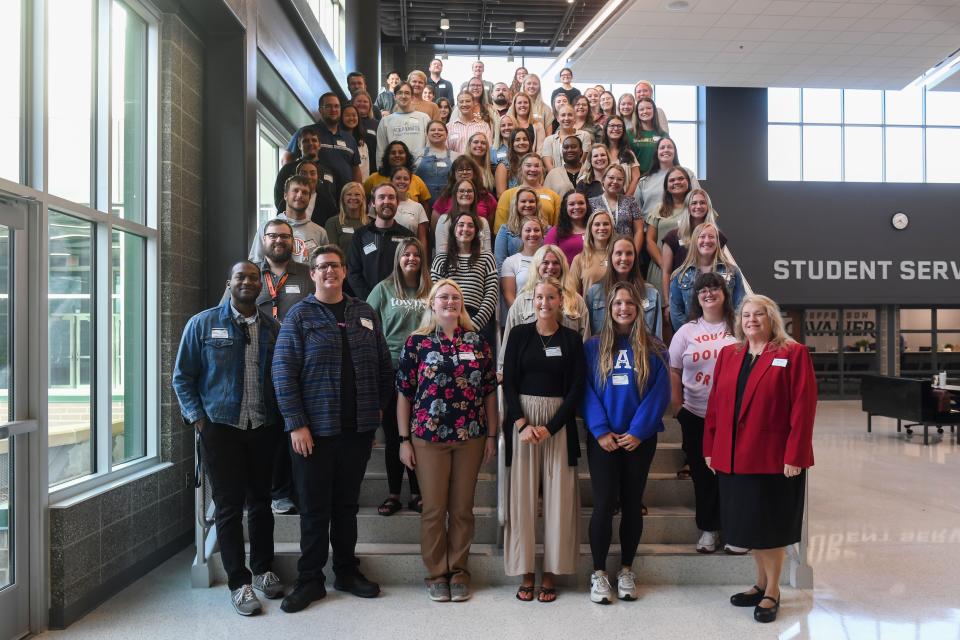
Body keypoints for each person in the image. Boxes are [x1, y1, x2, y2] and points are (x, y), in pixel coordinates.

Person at [272, 244, 393, 613]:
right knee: (313, 509)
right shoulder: (300, 316)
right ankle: (310, 580)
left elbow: (384, 367)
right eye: (321, 266)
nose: (329, 272)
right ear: (312, 274)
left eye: (335, 266)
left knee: (345, 506)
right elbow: (283, 373)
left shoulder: (364, 312)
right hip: (313, 433)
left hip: (356, 432)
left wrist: (376, 412)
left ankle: (345, 571)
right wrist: (296, 424)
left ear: (343, 271)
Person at [173, 261, 284, 615]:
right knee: (228, 508)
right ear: (229, 283)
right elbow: (182, 378)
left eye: (254, 277)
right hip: (221, 429)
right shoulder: (203, 324)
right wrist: (200, 421)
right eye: (241, 277)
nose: (248, 282)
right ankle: (240, 582)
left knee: (262, 504)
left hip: (263, 427)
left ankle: (265, 569)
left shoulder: (272, 327)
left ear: (260, 286)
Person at [704, 294, 816, 623]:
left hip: (773, 458)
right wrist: (711, 447)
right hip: (734, 455)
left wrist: (794, 454)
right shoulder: (730, 354)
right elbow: (715, 404)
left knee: (769, 527)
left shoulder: (792, 353)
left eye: (759, 315)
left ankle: (773, 591)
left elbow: (803, 408)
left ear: (772, 319)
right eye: (746, 315)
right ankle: (760, 583)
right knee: (750, 525)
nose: (751, 320)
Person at [396, 279, 497, 602]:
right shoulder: (417, 343)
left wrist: (493, 434)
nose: (450, 301)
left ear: (462, 303)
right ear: (432, 303)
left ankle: (459, 571)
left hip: (471, 436)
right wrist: (403, 439)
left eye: (455, 297)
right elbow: (404, 394)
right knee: (434, 509)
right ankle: (437, 573)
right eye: (443, 297)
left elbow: (489, 393)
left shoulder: (478, 342)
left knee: (463, 509)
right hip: (428, 437)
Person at [582, 281, 670, 604]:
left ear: (639, 308)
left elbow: (661, 394)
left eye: (629, 304)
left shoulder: (656, 347)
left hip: (638, 440)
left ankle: (626, 569)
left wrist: (638, 431)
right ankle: (599, 573)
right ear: (609, 308)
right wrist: (601, 430)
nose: (623, 308)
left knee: (633, 504)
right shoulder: (592, 347)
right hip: (603, 440)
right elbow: (587, 391)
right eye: (617, 303)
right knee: (604, 505)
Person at [502, 278, 585, 603]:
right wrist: (521, 423)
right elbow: (508, 382)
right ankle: (525, 571)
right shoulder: (520, 334)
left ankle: (550, 572)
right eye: (539, 297)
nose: (545, 302)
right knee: (521, 498)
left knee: (558, 500)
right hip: (522, 421)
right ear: (531, 301)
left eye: (551, 297)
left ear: (560, 301)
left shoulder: (572, 339)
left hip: (558, 425)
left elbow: (576, 388)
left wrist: (550, 427)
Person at [245, 220, 314, 516]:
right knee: (268, 432)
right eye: (272, 236)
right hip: (259, 364)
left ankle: (296, 491)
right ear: (263, 239)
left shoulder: (306, 276)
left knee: (297, 429)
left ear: (292, 241)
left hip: (300, 365)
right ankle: (274, 491)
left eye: (284, 236)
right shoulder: (249, 275)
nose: (278, 241)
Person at [669, 271, 737, 554]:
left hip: (734, 417)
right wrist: (677, 406)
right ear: (697, 298)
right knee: (702, 474)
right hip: (696, 415)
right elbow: (673, 369)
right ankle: (709, 529)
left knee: (732, 475)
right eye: (702, 290)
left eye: (714, 288)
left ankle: (735, 530)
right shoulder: (687, 331)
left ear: (724, 293)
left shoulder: (737, 329)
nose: (708, 293)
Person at [367, 239, 431, 517]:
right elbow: (366, 323)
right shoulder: (383, 289)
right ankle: (394, 493)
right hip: (392, 368)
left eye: (417, 254)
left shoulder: (431, 288)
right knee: (395, 435)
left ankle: (418, 493)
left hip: (427, 371)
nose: (412, 258)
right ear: (398, 258)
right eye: (406, 254)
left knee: (418, 435)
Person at [499, 245, 590, 376]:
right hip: (529, 375)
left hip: (567, 376)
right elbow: (508, 342)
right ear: (537, 266)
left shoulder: (577, 301)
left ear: (562, 266)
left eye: (556, 263)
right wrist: (503, 371)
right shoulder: (521, 302)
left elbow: (585, 342)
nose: (551, 267)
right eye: (545, 262)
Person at [430, 211, 499, 348]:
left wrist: (473, 325)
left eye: (470, 226)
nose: (465, 229)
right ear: (454, 230)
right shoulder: (440, 259)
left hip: (478, 320)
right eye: (461, 225)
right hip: (446, 318)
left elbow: (491, 294)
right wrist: (446, 325)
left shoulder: (487, 258)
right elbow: (433, 296)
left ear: (476, 231)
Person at [669, 222, 745, 331]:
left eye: (711, 237)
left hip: (727, 336)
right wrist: (692, 335)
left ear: (717, 241)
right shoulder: (680, 275)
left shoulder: (732, 271)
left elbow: (740, 307)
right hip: (694, 339)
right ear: (695, 241)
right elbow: (676, 313)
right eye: (702, 236)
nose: (707, 240)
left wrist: (730, 332)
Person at [346, 183, 415, 300]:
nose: (387, 201)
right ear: (373, 203)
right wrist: (370, 299)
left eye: (391, 197)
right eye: (381, 197)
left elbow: (413, 271)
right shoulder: (360, 235)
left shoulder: (408, 236)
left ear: (397, 203)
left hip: (399, 301)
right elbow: (353, 273)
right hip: (366, 302)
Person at [586, 236, 663, 339]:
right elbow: (588, 335)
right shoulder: (594, 293)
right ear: (611, 256)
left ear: (635, 257)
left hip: (641, 353)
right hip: (604, 352)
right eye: (618, 253)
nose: (624, 258)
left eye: (629, 253)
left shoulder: (651, 293)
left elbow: (657, 338)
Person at [284, 93, 361, 195]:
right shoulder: (306, 132)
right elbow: (287, 159)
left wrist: (359, 190)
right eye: (328, 106)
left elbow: (355, 169)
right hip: (315, 197)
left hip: (344, 198)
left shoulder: (349, 138)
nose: (333, 109)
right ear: (320, 110)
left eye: (336, 106)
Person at [660, 188, 725, 299]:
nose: (698, 206)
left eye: (702, 203)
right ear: (687, 207)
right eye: (694, 203)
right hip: (681, 298)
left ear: (708, 207)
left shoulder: (717, 236)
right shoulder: (672, 236)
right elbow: (666, 272)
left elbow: (719, 268)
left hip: (710, 297)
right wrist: (667, 303)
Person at [252, 176, 329, 264]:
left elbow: (324, 266)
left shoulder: (320, 232)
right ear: (285, 195)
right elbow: (256, 263)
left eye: (305, 192)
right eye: (295, 191)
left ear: (309, 198)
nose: (300, 195)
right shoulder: (267, 227)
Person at [647, 166, 696, 298]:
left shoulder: (697, 206)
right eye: (672, 180)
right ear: (666, 186)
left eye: (681, 178)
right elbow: (650, 240)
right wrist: (663, 264)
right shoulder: (659, 209)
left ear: (688, 182)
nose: (676, 182)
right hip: (660, 268)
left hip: (690, 268)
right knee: (664, 311)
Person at [273, 129, 339, 225]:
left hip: (322, 224)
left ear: (319, 145)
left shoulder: (329, 171)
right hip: (291, 224)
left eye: (314, 140)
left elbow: (334, 197)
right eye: (305, 141)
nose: (310, 143)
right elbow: (278, 197)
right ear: (299, 145)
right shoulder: (287, 169)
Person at [494, 154, 561, 234]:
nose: (533, 169)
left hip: (545, 243)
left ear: (542, 169)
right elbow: (499, 229)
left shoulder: (553, 196)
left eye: (537, 166)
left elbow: (557, 229)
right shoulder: (507, 195)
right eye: (528, 166)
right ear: (521, 169)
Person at [635, 137, 700, 218]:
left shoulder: (688, 174)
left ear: (675, 152)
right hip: (649, 228)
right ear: (657, 152)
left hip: (682, 227)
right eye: (662, 148)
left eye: (669, 147)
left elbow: (699, 199)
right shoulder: (644, 181)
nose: (666, 150)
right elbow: (636, 212)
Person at [588, 165, 644, 256]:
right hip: (600, 255)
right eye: (611, 178)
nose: (615, 182)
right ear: (603, 180)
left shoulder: (630, 202)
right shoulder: (591, 203)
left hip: (626, 255)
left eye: (619, 179)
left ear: (623, 183)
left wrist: (634, 255)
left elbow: (639, 231)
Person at [431, 157, 498, 232]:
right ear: (454, 174)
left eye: (468, 169)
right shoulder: (445, 197)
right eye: (460, 170)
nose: (464, 172)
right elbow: (435, 228)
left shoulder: (486, 197)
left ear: (474, 173)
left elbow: (491, 228)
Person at [500, 216, 546, 324]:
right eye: (528, 230)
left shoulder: (549, 260)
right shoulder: (511, 261)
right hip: (522, 318)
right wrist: (521, 317)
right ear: (520, 235)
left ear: (542, 234)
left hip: (547, 316)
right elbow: (509, 296)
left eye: (536, 230)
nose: (532, 234)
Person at [432, 177, 494, 255]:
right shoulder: (444, 220)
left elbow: (487, 254)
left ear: (474, 195)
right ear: (455, 194)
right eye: (461, 191)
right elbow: (441, 254)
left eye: (469, 191)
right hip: (451, 266)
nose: (465, 194)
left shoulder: (483, 222)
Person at [376, 83, 431, 164]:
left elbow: (429, 147)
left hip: (421, 170)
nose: (403, 96)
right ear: (394, 97)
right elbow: (381, 151)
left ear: (412, 97)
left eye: (407, 93)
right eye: (400, 93)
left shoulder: (424, 118)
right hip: (394, 171)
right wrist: (382, 173)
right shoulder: (385, 121)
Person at [363, 141, 431, 203]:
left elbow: (425, 205)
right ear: (387, 157)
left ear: (407, 157)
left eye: (401, 153)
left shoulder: (417, 180)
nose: (397, 155)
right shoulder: (373, 179)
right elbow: (364, 200)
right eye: (393, 153)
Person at [495, 186, 545, 270]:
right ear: (516, 204)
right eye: (523, 201)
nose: (528, 205)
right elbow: (500, 263)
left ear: (537, 204)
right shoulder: (505, 230)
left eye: (531, 201)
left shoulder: (547, 229)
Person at [568, 209, 613, 295]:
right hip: (589, 308)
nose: (602, 228)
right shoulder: (579, 259)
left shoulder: (619, 257)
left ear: (611, 227)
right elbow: (571, 295)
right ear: (590, 228)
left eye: (606, 224)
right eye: (597, 224)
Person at [415, 121, 458, 208]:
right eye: (433, 130)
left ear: (446, 134)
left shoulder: (456, 156)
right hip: (422, 204)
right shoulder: (417, 155)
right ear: (427, 134)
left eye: (440, 130)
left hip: (448, 204)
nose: (436, 132)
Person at [541, 105, 593, 173]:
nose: (566, 118)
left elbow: (583, 161)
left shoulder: (584, 135)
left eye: (570, 115)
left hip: (580, 177)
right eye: (563, 115)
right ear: (557, 118)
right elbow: (549, 166)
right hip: (556, 178)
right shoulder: (549, 140)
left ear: (575, 118)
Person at [544, 190, 590, 265]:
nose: (577, 207)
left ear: (587, 205)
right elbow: (547, 259)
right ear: (565, 207)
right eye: (571, 204)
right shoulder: (555, 232)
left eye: (581, 203)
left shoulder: (595, 228)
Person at [325, 182, 369, 257]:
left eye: (357, 194)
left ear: (363, 198)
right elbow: (333, 252)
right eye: (349, 194)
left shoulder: (370, 223)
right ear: (343, 198)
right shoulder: (332, 223)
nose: (353, 198)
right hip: (343, 267)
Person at [390, 166, 430, 248]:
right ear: (391, 181)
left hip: (410, 255)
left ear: (410, 182)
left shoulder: (418, 207)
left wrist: (423, 260)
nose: (402, 181)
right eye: (398, 178)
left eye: (406, 179)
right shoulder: (383, 204)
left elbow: (422, 239)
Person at [627, 97, 667, 176]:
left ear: (654, 111)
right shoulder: (629, 134)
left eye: (649, 108)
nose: (645, 111)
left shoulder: (663, 135)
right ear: (637, 113)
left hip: (657, 178)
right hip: (635, 178)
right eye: (641, 109)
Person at [603, 116, 641, 196]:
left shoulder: (629, 153)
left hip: (625, 200)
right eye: (612, 125)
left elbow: (636, 177)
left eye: (619, 126)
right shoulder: (599, 152)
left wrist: (625, 200)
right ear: (606, 128)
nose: (616, 128)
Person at [341, 104, 376, 182]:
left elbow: (365, 172)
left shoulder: (363, 145)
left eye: (354, 115)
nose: (351, 118)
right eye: (347, 115)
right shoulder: (337, 141)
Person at [495, 128, 532, 197]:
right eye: (517, 140)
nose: (522, 142)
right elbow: (501, 195)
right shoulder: (503, 165)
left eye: (525, 139)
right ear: (512, 144)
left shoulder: (535, 163)